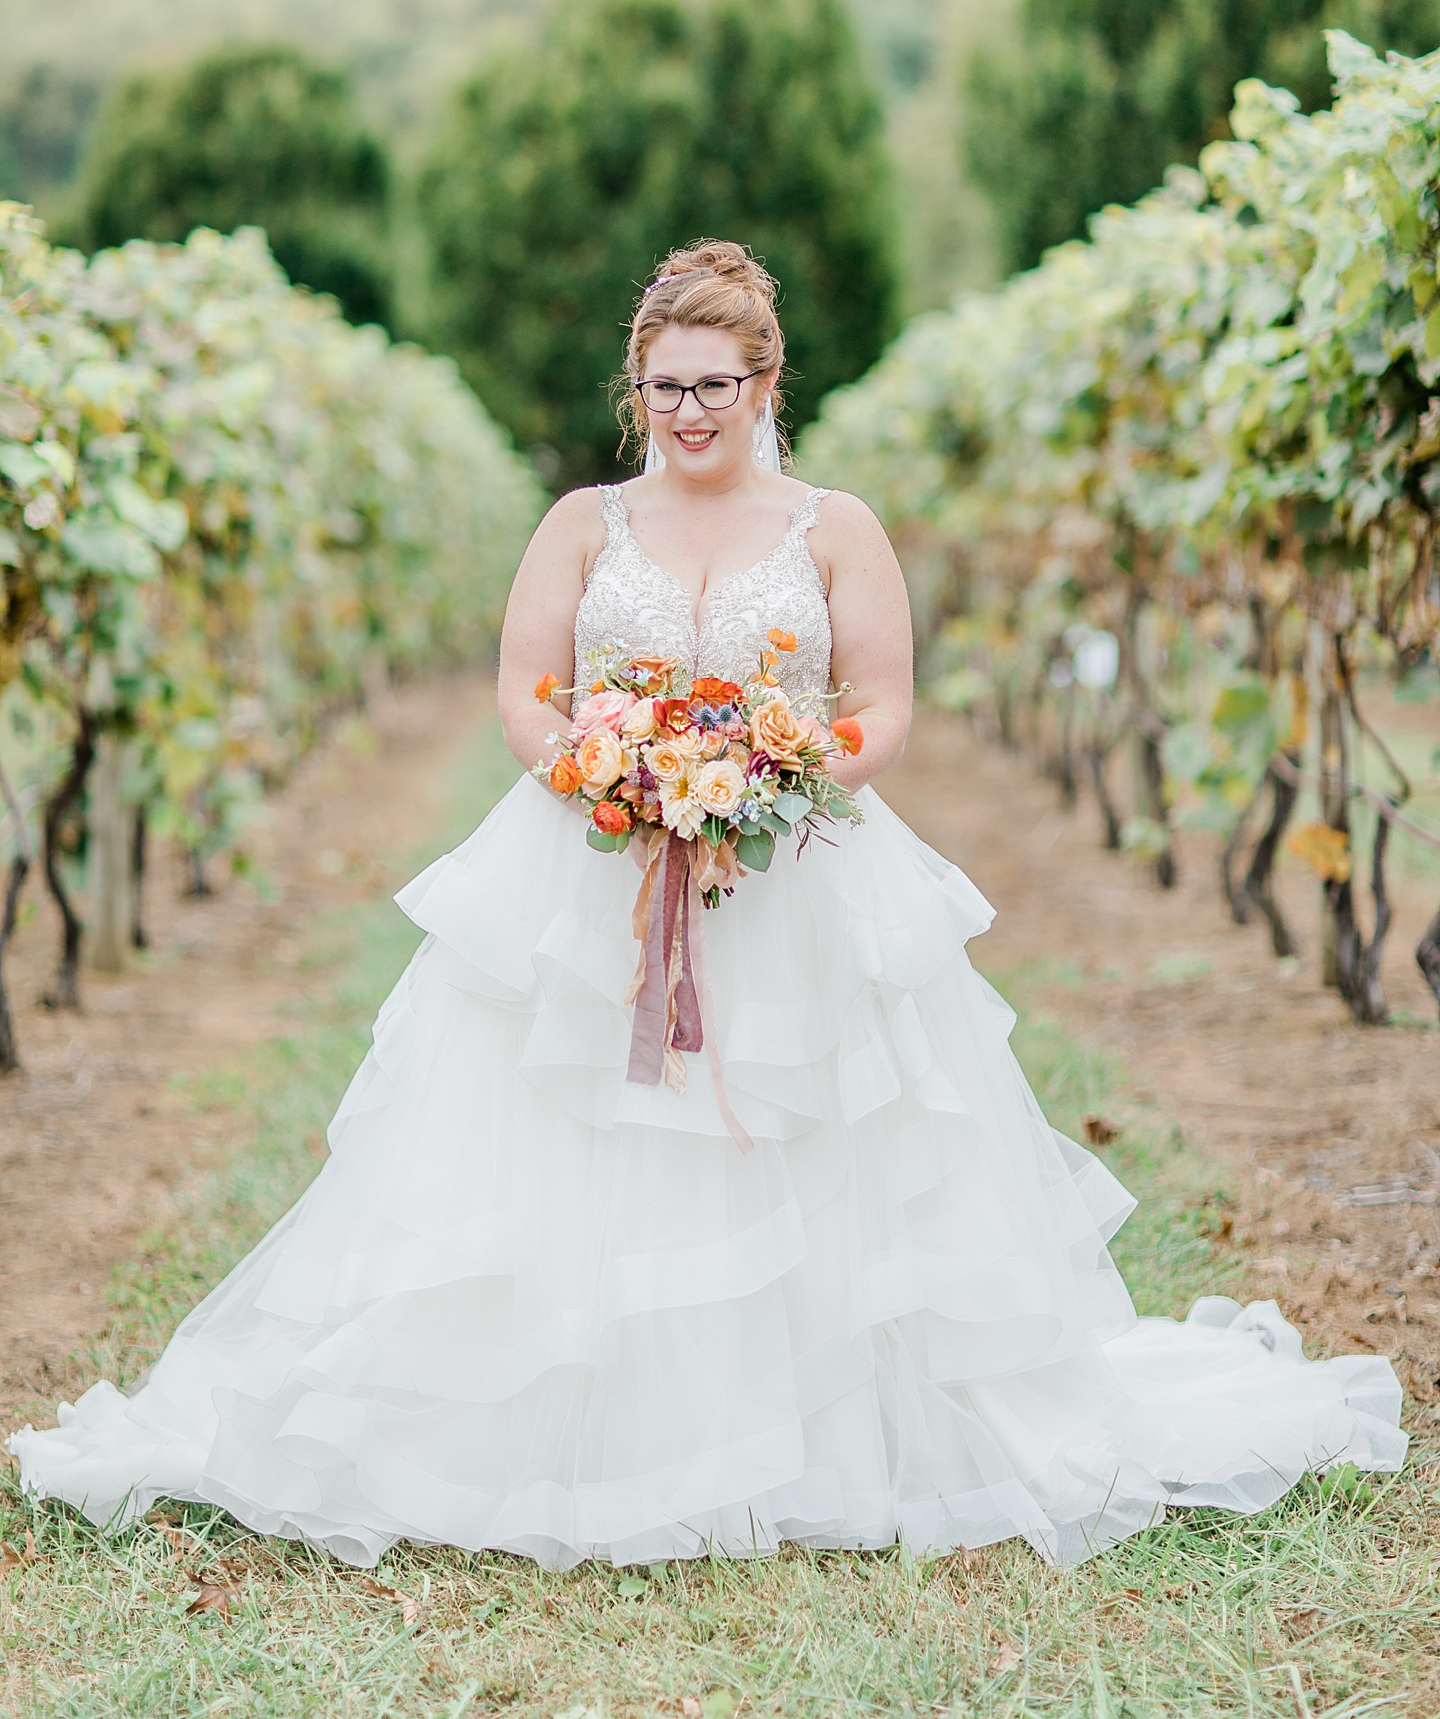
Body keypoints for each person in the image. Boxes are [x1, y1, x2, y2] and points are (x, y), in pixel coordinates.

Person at [10, 240, 1405, 1570]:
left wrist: (769, 775)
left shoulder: (833, 527)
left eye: (715, 386)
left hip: (791, 867)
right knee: (569, 1138)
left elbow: (884, 706)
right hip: (590, 856)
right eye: (666, 387)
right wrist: (597, 772)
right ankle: (581, 1420)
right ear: (639, 391)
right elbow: (521, 682)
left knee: (803, 1129)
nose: (689, 412)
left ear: (765, 386)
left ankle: (808, 1432)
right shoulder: (582, 525)